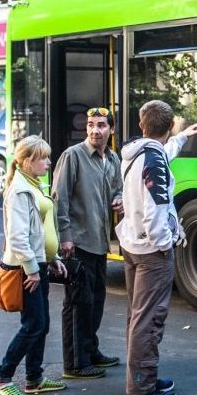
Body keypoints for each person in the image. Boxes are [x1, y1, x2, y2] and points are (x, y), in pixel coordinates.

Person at [117, 101, 197, 395]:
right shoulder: (153, 161)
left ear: (142, 125)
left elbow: (164, 152)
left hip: (131, 243)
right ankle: (141, 388)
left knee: (137, 314)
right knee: (149, 317)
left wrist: (182, 136)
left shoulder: (137, 153)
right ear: (167, 127)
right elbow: (155, 211)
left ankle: (142, 375)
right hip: (152, 249)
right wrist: (165, 244)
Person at [0, 136, 67, 395]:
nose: (48, 161)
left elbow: (43, 227)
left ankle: (34, 378)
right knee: (33, 325)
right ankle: (2, 375)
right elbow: (19, 238)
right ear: (26, 162)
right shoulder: (19, 191)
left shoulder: (34, 183)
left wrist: (53, 255)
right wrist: (33, 269)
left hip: (39, 264)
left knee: (41, 324)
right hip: (26, 270)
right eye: (43, 157)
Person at [52, 107, 123, 379]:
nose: (95, 130)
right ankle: (75, 363)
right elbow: (60, 198)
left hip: (100, 240)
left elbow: (117, 188)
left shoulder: (112, 158)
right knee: (78, 303)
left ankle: (91, 350)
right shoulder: (73, 156)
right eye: (91, 125)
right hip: (79, 242)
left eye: (101, 125)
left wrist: (120, 198)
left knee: (95, 300)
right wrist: (65, 236)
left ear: (111, 130)